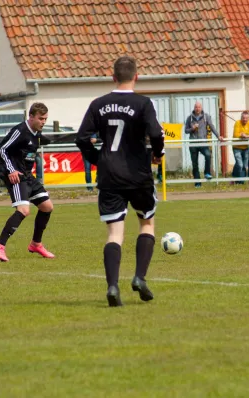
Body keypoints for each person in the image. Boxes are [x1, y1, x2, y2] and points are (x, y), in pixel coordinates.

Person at [76, 56, 165, 307]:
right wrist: (157, 154)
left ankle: (113, 285)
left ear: (112, 77)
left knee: (115, 233)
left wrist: (98, 159)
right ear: (136, 76)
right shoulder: (143, 103)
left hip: (109, 176)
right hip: (138, 175)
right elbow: (157, 133)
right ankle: (139, 277)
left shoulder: (98, 104)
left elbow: (82, 138)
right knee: (146, 223)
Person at [0, 103, 55, 262]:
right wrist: (11, 170)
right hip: (16, 175)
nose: (43, 122)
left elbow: (40, 141)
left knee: (47, 207)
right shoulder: (20, 131)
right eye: (40, 118)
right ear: (31, 117)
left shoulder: (36, 132)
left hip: (27, 175)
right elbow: (2, 149)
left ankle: (36, 244)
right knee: (24, 210)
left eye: (45, 119)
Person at [184, 101, 222, 188]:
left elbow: (212, 127)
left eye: (199, 107)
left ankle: (207, 173)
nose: (197, 109)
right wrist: (192, 128)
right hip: (193, 143)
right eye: (196, 107)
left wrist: (218, 136)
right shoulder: (189, 118)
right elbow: (186, 131)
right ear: (194, 108)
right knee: (195, 163)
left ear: (201, 108)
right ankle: (197, 183)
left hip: (203, 142)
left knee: (208, 155)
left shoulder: (206, 116)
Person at [232, 111, 249, 184]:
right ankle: (236, 180)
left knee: (244, 165)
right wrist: (241, 135)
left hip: (246, 148)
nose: (245, 119)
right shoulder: (237, 122)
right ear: (241, 118)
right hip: (237, 147)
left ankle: (240, 182)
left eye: (246, 118)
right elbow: (235, 135)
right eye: (243, 118)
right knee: (239, 164)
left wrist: (247, 136)